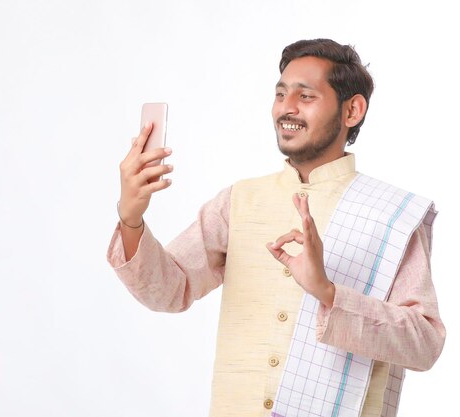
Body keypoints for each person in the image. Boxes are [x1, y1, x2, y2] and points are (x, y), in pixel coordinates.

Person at [106, 39, 445, 417]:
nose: (287, 107)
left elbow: (425, 342)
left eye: (306, 96)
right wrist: (131, 218)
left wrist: (328, 293)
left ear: (352, 110)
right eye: (281, 94)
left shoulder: (389, 215)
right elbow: (169, 290)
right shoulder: (239, 201)